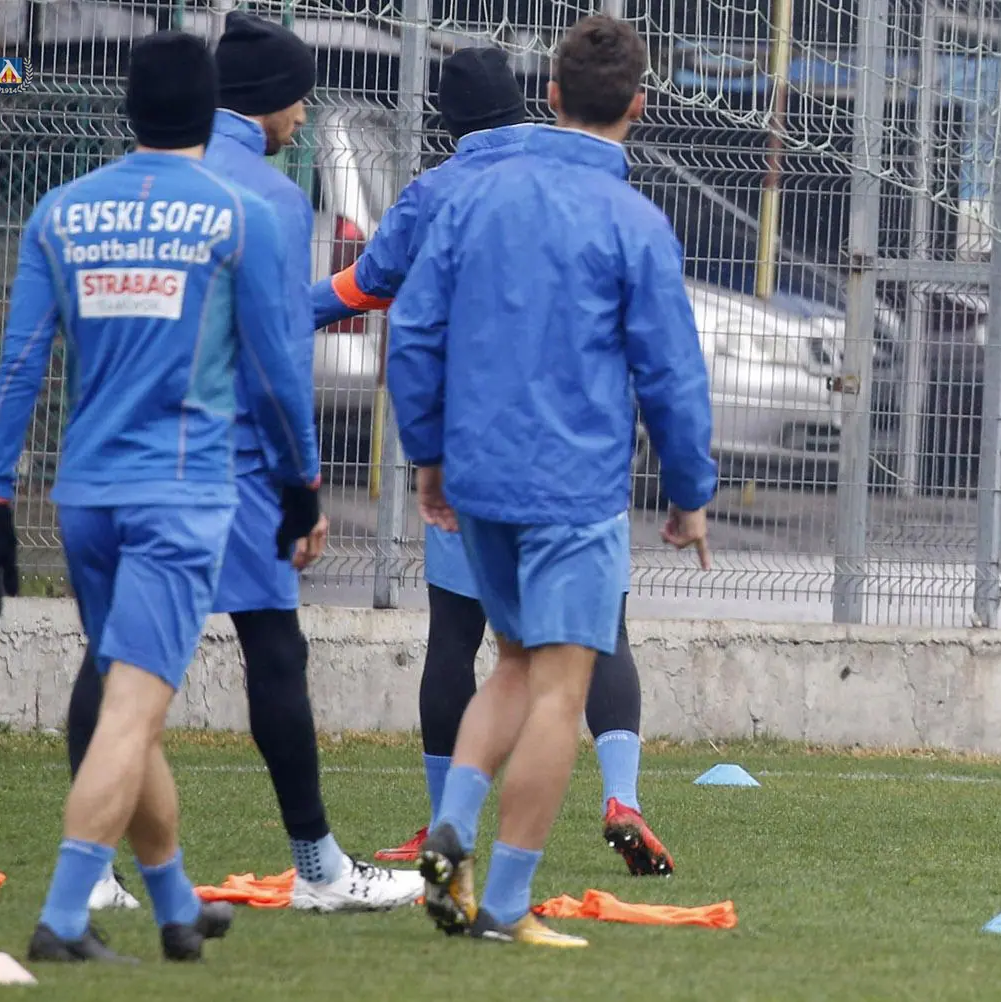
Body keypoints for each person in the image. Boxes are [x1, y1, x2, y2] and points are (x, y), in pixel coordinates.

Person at [0, 32, 324, 962]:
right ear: (209, 105)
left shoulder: (61, 211)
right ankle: (66, 917)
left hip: (86, 498)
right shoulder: (240, 216)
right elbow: (274, 374)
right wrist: (299, 484)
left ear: (129, 108)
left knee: (124, 691)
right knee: (134, 709)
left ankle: (175, 902)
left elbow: (21, 364)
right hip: (179, 497)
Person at [66, 10, 423, 916]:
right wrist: (303, 483)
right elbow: (275, 356)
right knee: (273, 650)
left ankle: (93, 876)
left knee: (113, 662)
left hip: (121, 457)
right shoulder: (268, 196)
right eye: (300, 99)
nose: (303, 117)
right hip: (230, 464)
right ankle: (317, 867)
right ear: (268, 100)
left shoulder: (132, 185)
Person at [388, 14, 717, 948]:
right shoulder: (633, 220)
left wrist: (429, 455)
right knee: (559, 694)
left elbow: (413, 330)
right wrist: (689, 492)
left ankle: (451, 828)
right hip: (572, 489)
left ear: (553, 96)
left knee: (513, 664)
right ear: (638, 106)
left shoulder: (472, 197)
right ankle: (504, 904)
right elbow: (670, 370)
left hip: (480, 481)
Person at [311, 44, 674, 878]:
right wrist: (686, 483)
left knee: (464, 640)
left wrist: (279, 313)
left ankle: (449, 823)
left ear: (444, 121)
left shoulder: (442, 192)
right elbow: (658, 351)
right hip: (579, 459)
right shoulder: (595, 190)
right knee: (596, 639)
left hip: (473, 455)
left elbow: (373, 291)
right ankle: (621, 798)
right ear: (530, 100)